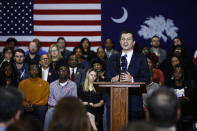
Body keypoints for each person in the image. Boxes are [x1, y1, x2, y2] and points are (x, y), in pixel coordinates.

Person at [106, 30, 150, 122]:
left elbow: (147, 79)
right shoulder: (112, 58)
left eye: (128, 39)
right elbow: (107, 77)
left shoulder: (141, 58)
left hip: (134, 104)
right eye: (123, 39)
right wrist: (112, 79)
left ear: (133, 42)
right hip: (115, 103)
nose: (125, 41)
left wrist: (132, 79)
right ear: (120, 42)